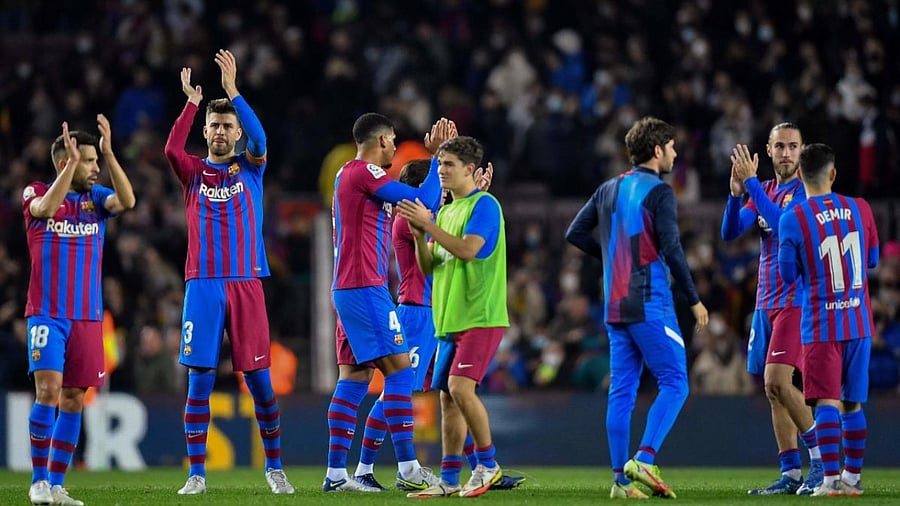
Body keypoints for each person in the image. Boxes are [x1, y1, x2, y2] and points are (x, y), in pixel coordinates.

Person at [163, 49, 294, 495]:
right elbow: (170, 149)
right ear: (207, 131)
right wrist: (191, 103)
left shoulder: (251, 167)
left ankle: (274, 468)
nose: (221, 132)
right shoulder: (193, 173)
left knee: (259, 382)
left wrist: (234, 92)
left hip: (245, 283)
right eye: (215, 126)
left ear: (237, 133)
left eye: (228, 126)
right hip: (202, 286)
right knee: (199, 380)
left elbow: (261, 139)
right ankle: (196, 474)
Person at [352, 159, 524, 492]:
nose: (443, 194)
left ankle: (482, 470)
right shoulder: (407, 221)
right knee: (394, 392)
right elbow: (442, 248)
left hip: (440, 315)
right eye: (439, 188)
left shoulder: (435, 218)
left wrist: (472, 199)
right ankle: (363, 469)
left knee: (456, 393)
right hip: (416, 315)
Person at [565, 116, 709, 500]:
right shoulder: (660, 192)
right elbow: (673, 249)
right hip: (648, 302)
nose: (676, 153)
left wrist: (612, 258)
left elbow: (574, 233)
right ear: (658, 150)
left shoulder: (608, 188)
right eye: (673, 146)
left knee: (622, 392)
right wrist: (694, 299)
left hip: (615, 306)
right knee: (676, 382)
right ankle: (644, 458)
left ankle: (620, 482)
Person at [324, 113, 450, 493]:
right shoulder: (364, 172)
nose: (395, 148)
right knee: (399, 373)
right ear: (381, 140)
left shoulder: (345, 175)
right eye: (393, 140)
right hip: (365, 287)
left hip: (349, 288)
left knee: (355, 379)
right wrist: (438, 156)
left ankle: (335, 475)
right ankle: (410, 467)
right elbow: (422, 200)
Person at [25, 117, 136, 506]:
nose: (93, 168)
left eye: (93, 162)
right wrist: (71, 167)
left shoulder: (96, 200)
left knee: (74, 397)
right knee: (48, 390)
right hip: (47, 314)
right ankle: (38, 482)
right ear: (64, 162)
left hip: (87, 317)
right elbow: (45, 208)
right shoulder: (35, 192)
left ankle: (56, 485)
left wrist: (109, 154)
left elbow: (127, 201)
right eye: (87, 161)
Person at [396, 136, 509, 498]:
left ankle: (488, 465)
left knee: (461, 388)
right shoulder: (445, 213)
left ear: (471, 171)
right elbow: (429, 266)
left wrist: (427, 226)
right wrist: (418, 235)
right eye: (440, 164)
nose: (441, 171)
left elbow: (467, 250)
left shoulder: (485, 206)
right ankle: (448, 480)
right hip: (449, 320)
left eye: (449, 165)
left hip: (481, 315)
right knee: (447, 398)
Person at [722, 123, 823, 495]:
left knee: (778, 380)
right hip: (766, 302)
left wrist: (748, 185)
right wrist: (735, 194)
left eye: (792, 146)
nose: (785, 153)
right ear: (768, 150)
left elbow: (784, 225)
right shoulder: (762, 189)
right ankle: (791, 473)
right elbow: (730, 232)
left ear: (802, 151)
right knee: (773, 391)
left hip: (796, 300)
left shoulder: (806, 192)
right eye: (779, 146)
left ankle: (825, 461)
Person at [777, 143, 878, 497]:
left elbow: (788, 276)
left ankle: (830, 481)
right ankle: (852, 479)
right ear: (833, 173)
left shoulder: (793, 218)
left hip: (821, 325)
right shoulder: (861, 209)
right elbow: (873, 259)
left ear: (801, 176)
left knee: (824, 403)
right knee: (853, 402)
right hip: (859, 323)